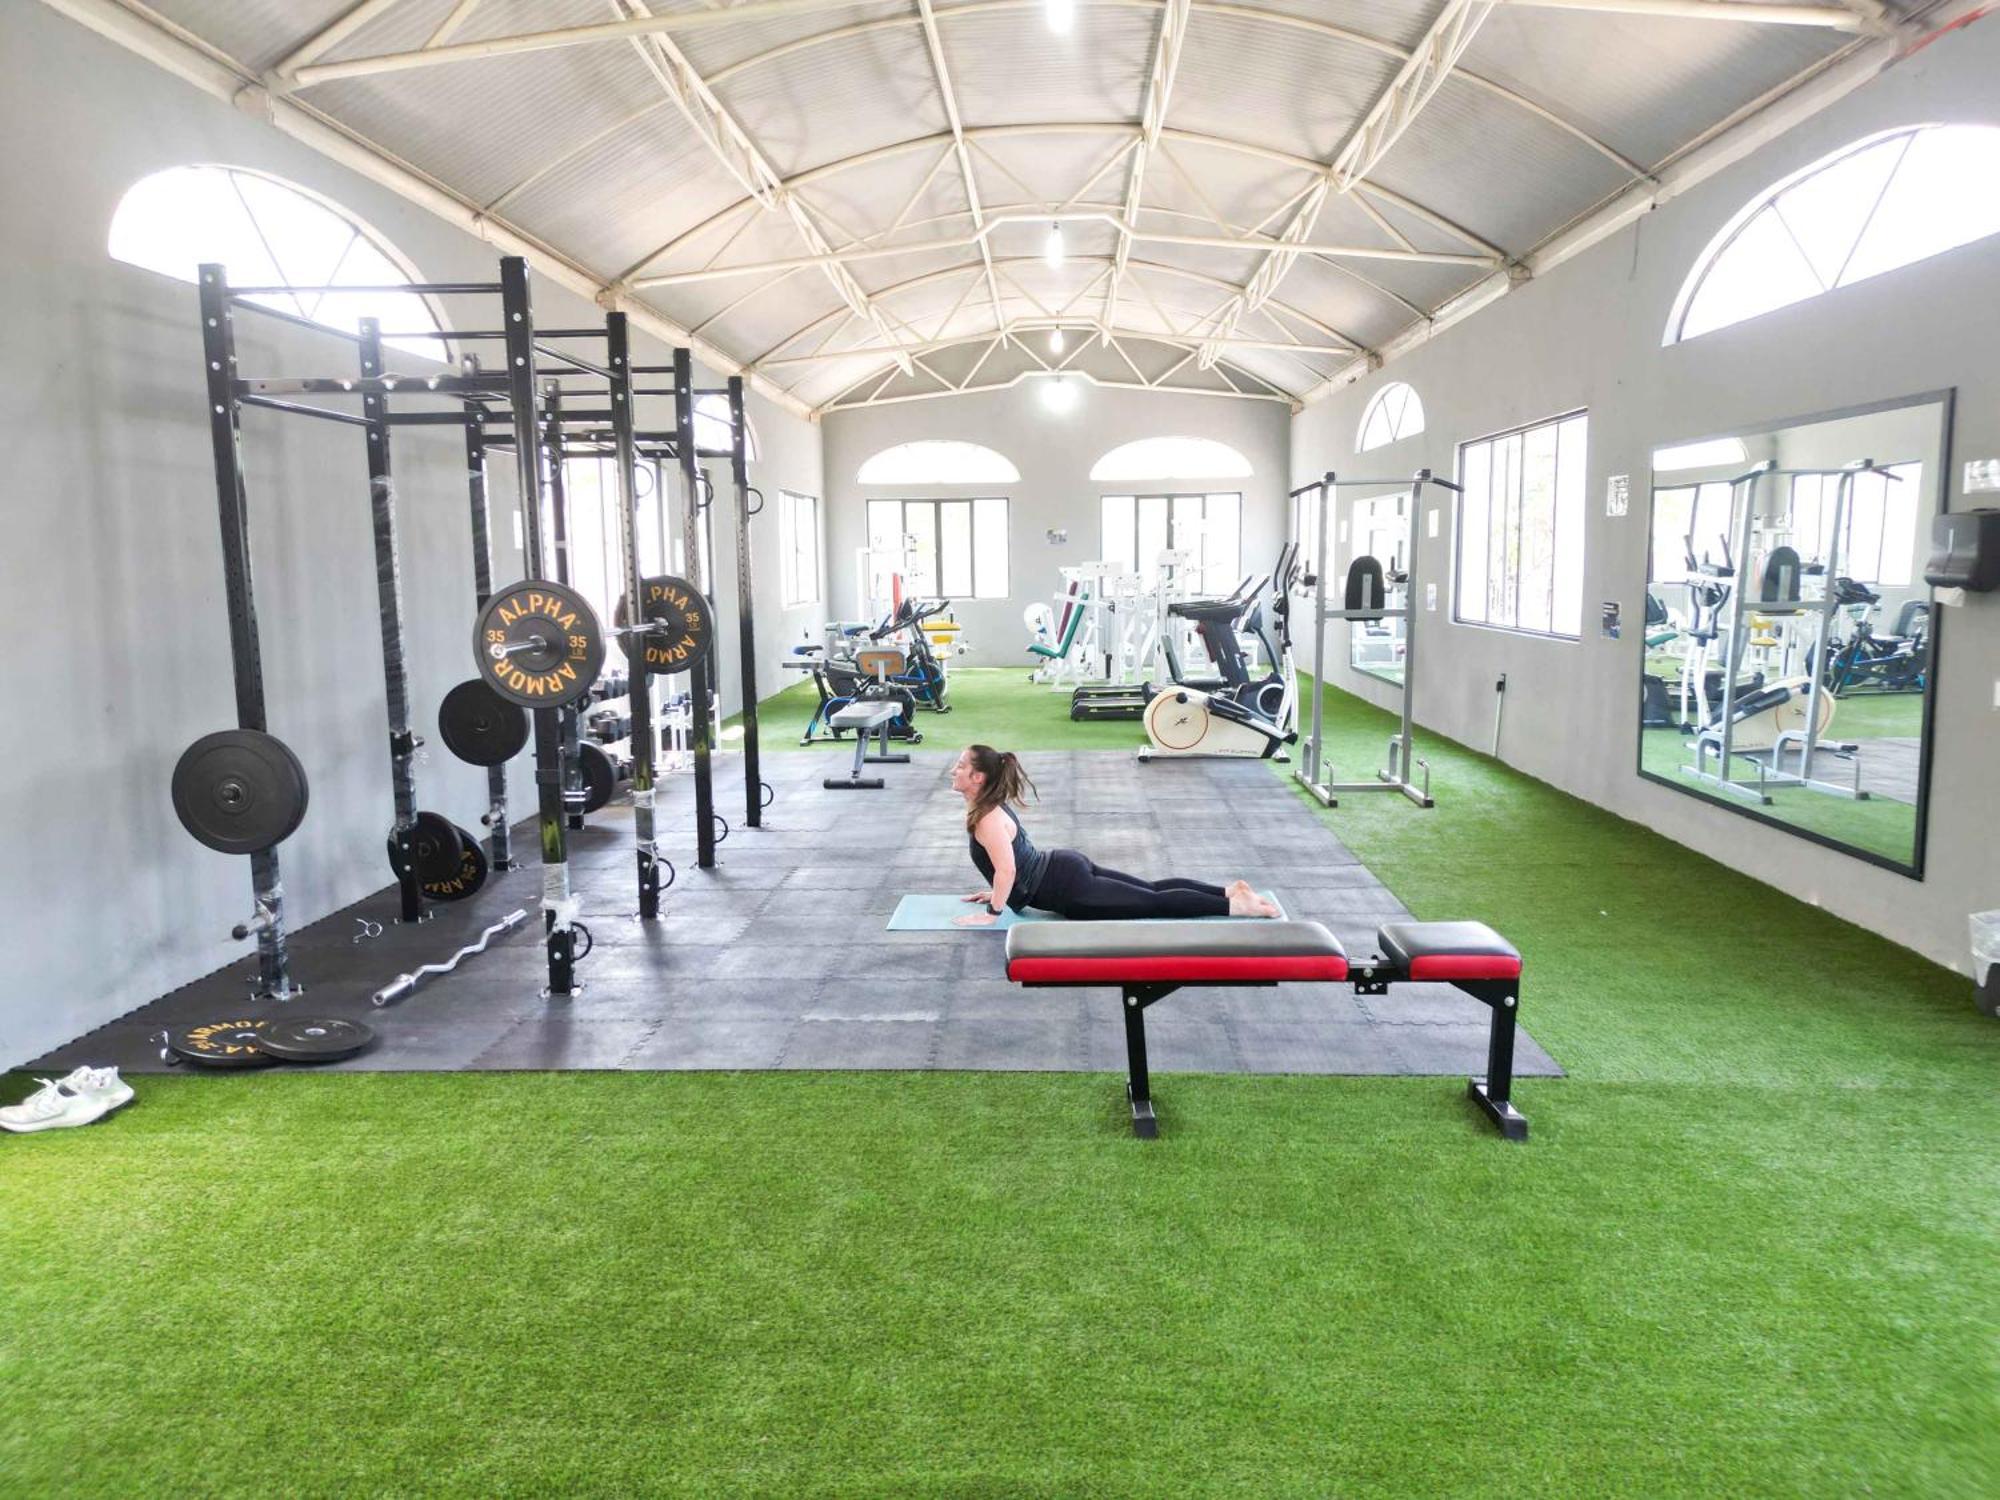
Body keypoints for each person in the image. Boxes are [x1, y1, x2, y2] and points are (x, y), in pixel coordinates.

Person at [951, 744, 1280, 926]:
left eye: (961, 766)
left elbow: (1008, 869)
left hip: (1069, 889)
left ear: (978, 777)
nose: (954, 770)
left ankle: (1238, 907)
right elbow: (1007, 868)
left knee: (1153, 903)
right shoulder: (989, 807)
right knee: (1151, 890)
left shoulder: (987, 819)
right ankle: (1227, 892)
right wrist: (997, 891)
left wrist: (992, 913)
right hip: (1064, 867)